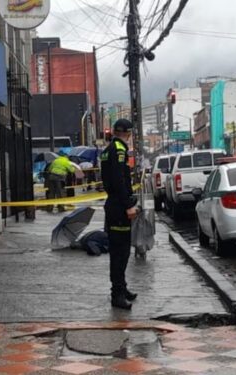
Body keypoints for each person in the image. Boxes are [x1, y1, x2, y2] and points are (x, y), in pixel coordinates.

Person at [101, 119, 138, 310]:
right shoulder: (119, 149)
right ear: (128, 134)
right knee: (120, 253)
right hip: (118, 207)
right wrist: (128, 205)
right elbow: (119, 180)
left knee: (121, 251)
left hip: (114, 204)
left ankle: (122, 288)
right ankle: (117, 295)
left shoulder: (109, 149)